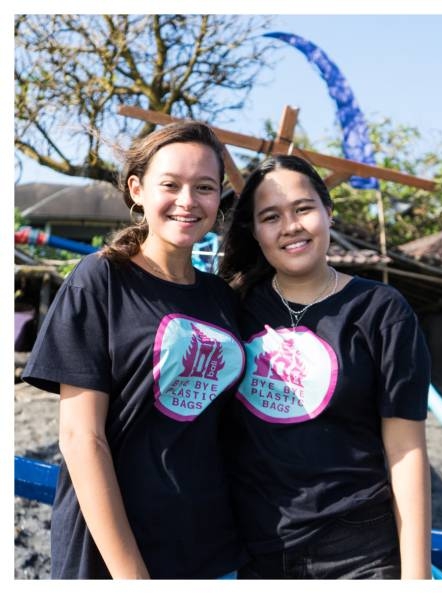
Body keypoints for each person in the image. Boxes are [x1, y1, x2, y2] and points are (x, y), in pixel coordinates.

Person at [22, 122, 247, 579]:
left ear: (218, 197)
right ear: (137, 189)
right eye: (171, 184)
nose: (188, 201)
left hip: (212, 546)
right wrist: (132, 578)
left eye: (204, 187)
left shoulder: (222, 298)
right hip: (117, 551)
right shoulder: (100, 280)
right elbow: (82, 439)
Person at [217, 154, 432, 579]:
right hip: (258, 550)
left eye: (303, 209)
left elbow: (406, 449)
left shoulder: (381, 310)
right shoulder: (231, 308)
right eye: (271, 216)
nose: (291, 226)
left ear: (328, 213)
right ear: (256, 232)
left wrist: (417, 575)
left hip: (359, 552)